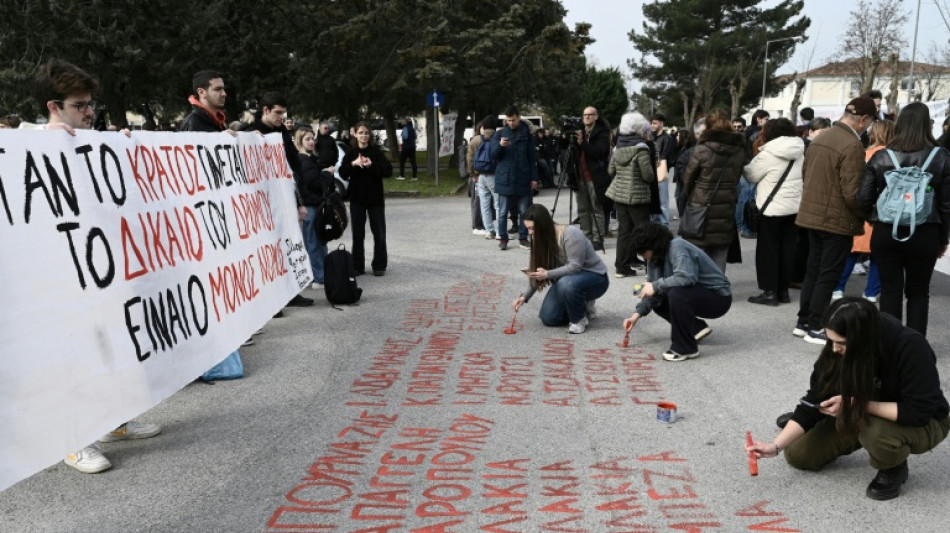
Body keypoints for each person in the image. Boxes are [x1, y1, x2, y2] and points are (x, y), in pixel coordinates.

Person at [34, 58, 162, 474]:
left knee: (113, 350)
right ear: (54, 107)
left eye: (91, 104)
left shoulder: (89, 142)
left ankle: (114, 422)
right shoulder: (32, 147)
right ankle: (72, 439)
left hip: (101, 269)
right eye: (79, 105)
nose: (89, 112)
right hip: (62, 277)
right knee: (74, 358)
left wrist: (120, 148)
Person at [746, 298, 950, 501]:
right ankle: (839, 422)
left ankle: (893, 466)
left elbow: (918, 412)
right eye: (830, 340)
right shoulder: (837, 347)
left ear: (864, 339)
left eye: (841, 343)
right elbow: (816, 395)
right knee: (799, 455)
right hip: (860, 408)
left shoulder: (910, 346)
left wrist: (857, 405)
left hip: (924, 421)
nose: (834, 349)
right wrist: (775, 447)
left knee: (875, 431)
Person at [859, 102, 950, 338]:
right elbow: (946, 204)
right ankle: (915, 346)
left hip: (886, 230)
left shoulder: (882, 156)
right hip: (925, 230)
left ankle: (890, 345)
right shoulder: (941, 157)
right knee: (919, 292)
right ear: (927, 124)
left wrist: (874, 218)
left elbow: (863, 198)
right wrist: (943, 238)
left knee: (890, 290)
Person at [794, 96, 876, 345]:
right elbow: (852, 192)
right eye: (870, 122)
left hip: (812, 214)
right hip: (836, 219)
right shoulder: (852, 145)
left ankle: (803, 322)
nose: (869, 127)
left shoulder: (821, 138)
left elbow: (806, 175)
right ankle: (815, 325)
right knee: (828, 275)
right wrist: (867, 215)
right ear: (863, 119)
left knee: (813, 271)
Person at [240, 92, 313, 308]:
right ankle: (273, 300)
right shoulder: (249, 132)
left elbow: (293, 168)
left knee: (288, 246)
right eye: (278, 113)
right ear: (266, 110)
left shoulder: (283, 133)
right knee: (267, 250)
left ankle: (291, 292)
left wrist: (300, 202)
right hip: (262, 203)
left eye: (284, 113)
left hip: (285, 199)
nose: (282, 117)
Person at [623, 222, 732, 362]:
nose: (642, 257)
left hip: (718, 298)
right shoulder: (654, 258)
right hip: (696, 293)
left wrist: (655, 286)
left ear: (654, 245)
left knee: (676, 293)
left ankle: (686, 348)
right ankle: (696, 328)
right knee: (659, 300)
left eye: (643, 252)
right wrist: (635, 316)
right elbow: (652, 291)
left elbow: (686, 278)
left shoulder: (677, 246)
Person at [512, 205, 609, 334]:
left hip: (595, 278)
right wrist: (524, 297)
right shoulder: (538, 238)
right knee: (549, 318)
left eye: (532, 228)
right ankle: (581, 305)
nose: (530, 233)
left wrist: (547, 274)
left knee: (566, 283)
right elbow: (537, 272)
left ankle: (578, 320)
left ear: (543, 225)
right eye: (528, 228)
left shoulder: (570, 234)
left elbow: (575, 266)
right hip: (567, 281)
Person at [744, 118, 805, 306]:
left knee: (768, 252)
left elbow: (750, 175)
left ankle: (769, 292)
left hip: (771, 209)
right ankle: (783, 291)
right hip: (794, 208)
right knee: (788, 250)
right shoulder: (800, 151)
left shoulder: (768, 154)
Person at [834, 120, 895, 303]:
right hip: (887, 211)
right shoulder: (896, 157)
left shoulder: (864, 154)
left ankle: (838, 288)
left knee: (852, 251)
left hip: (862, 210)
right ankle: (871, 293)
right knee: (879, 254)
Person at [679, 109, 746, 272]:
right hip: (726, 207)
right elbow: (737, 178)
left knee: (697, 253)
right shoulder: (739, 150)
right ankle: (718, 285)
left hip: (701, 207)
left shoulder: (702, 149)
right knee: (720, 251)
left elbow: (688, 180)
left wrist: (693, 197)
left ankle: (700, 285)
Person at [606, 112, 656, 278]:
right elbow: (648, 176)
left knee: (624, 231)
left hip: (620, 196)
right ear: (637, 129)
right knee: (643, 231)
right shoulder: (641, 149)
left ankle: (621, 267)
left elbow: (610, 170)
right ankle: (651, 268)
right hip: (638, 196)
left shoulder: (617, 147)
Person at [340, 122, 393, 275]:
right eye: (361, 133)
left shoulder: (376, 152)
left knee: (379, 233)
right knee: (358, 234)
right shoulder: (351, 153)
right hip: (357, 199)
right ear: (355, 135)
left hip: (375, 199)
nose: (364, 135)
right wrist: (354, 164)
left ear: (369, 135)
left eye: (366, 133)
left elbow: (388, 171)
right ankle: (357, 265)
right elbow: (342, 172)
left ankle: (379, 265)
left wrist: (372, 164)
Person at [491, 105, 538, 251]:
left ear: (519, 118)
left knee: (524, 211)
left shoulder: (527, 134)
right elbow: (493, 156)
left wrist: (534, 178)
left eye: (514, 120)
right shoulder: (499, 134)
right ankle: (503, 238)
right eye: (509, 120)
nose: (511, 123)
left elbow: (532, 158)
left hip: (523, 177)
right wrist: (500, 146)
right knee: (503, 212)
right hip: (504, 178)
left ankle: (523, 238)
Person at [294, 125, 335, 289]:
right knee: (314, 244)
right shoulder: (303, 160)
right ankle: (319, 277)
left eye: (313, 138)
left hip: (314, 206)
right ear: (300, 141)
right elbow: (316, 183)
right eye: (307, 139)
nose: (312, 142)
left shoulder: (308, 159)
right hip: (310, 206)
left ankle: (321, 275)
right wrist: (327, 174)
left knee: (319, 242)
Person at [573, 106, 611, 250]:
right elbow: (566, 148)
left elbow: (598, 152)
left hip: (595, 176)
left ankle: (598, 239)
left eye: (590, 114)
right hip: (579, 176)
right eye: (585, 115)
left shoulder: (602, 132)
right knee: (583, 210)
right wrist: (564, 138)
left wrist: (582, 143)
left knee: (596, 209)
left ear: (596, 116)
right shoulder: (579, 131)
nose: (587, 117)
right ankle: (586, 238)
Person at [468, 115, 500, 240]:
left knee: (484, 204)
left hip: (480, 176)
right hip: (495, 175)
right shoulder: (498, 138)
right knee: (498, 204)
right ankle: (499, 231)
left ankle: (489, 230)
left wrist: (473, 174)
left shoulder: (475, 140)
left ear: (483, 126)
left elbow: (470, 159)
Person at [650, 113, 675, 227]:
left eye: (655, 123)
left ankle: (664, 223)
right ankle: (657, 222)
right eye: (652, 123)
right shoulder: (652, 136)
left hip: (661, 171)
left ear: (661, 123)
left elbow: (668, 156)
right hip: (654, 171)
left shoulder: (667, 138)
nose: (652, 125)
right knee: (655, 199)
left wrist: (659, 161)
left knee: (663, 200)